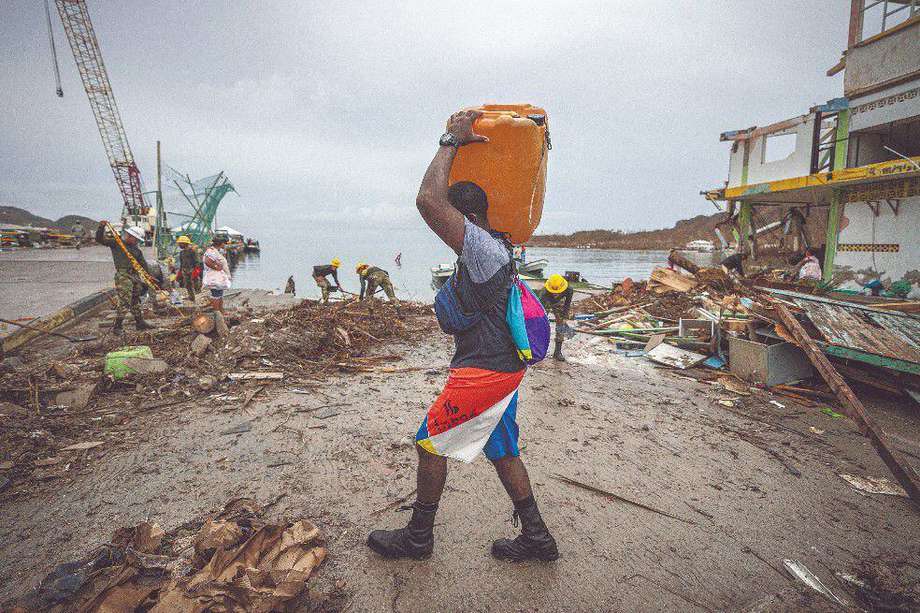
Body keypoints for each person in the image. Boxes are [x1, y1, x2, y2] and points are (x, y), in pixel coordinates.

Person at [367, 109, 558, 562]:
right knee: (503, 448)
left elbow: (427, 201)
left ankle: (418, 538)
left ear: (464, 215)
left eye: (453, 217)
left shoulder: (480, 247)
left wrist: (450, 140)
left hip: (484, 372)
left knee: (429, 443)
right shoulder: (497, 246)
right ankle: (537, 538)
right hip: (502, 368)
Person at [95, 221, 154, 333]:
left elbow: (143, 265)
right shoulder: (117, 243)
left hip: (134, 276)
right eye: (135, 239)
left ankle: (140, 322)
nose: (136, 242)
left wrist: (149, 277)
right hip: (123, 276)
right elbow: (99, 240)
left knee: (135, 300)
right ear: (130, 236)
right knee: (125, 301)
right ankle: (117, 327)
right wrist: (101, 227)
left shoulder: (136, 250)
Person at [538, 274, 574, 362]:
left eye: (557, 291)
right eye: (553, 291)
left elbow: (567, 304)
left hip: (558, 302)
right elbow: (539, 306)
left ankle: (557, 352)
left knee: (561, 325)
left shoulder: (569, 289)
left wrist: (564, 316)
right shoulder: (544, 292)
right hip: (546, 301)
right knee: (540, 324)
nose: (555, 293)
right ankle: (538, 350)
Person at [203, 235, 231, 313]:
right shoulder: (211, 251)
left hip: (217, 276)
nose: (225, 245)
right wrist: (216, 267)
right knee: (216, 295)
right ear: (221, 243)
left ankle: (221, 310)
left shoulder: (216, 251)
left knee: (220, 293)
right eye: (224, 243)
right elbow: (207, 261)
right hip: (214, 276)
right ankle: (216, 312)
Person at [175, 235, 198, 303]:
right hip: (185, 270)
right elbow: (182, 263)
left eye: (180, 243)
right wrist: (180, 272)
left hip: (192, 270)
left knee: (195, 284)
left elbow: (197, 261)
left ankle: (197, 297)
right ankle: (191, 297)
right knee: (187, 285)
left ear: (185, 243)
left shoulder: (192, 251)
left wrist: (196, 270)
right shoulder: (182, 252)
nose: (179, 245)